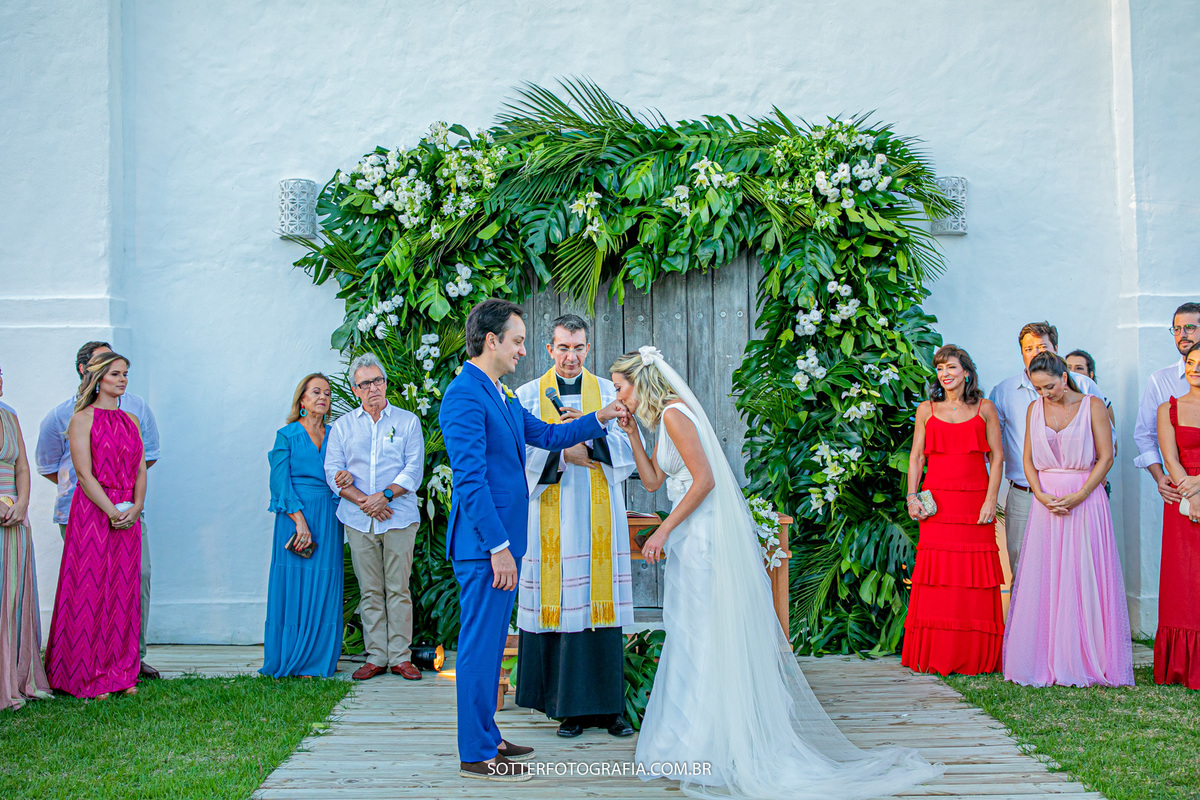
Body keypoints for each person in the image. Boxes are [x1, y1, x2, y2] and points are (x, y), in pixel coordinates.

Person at [614, 346, 943, 798]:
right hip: (690, 535)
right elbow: (653, 481)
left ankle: (711, 743)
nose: (617, 394)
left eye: (619, 386)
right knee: (689, 632)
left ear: (640, 383)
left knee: (704, 634)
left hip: (701, 535)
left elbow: (706, 480)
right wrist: (632, 433)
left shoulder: (675, 414)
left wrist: (662, 532)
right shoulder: (662, 420)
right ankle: (691, 739)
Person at [439, 298, 628, 782]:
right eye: (518, 340)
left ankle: (490, 735)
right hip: (487, 548)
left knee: (488, 646)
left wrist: (601, 414)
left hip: (503, 545)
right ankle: (476, 753)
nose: (524, 350)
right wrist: (498, 548)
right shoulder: (464, 395)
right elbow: (471, 480)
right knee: (480, 648)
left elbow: (547, 434)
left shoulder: (498, 393)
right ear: (491, 341)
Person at [514, 314, 636, 739]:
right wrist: (563, 455)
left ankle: (609, 710)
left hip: (598, 511)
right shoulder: (527, 395)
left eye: (579, 347)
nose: (571, 356)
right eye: (563, 348)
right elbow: (519, 454)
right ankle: (567, 708)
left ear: (589, 348)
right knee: (565, 602)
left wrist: (591, 441)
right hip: (552, 508)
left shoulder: (607, 391)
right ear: (549, 349)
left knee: (599, 603)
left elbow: (629, 447)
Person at [1002, 353, 1133, 687]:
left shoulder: (1093, 406)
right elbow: (1027, 461)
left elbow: (1106, 457)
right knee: (1047, 576)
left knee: (1084, 573)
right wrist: (1040, 494)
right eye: (1038, 389)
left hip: (1085, 500)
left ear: (1064, 377)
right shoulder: (1034, 410)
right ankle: (1045, 655)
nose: (1046, 394)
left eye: (1049, 387)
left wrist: (1081, 494)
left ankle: (1088, 656)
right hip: (1047, 503)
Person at [35, 341, 161, 680]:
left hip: (127, 510)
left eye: (125, 374)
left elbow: (142, 467)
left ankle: (122, 666)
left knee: (125, 588)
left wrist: (136, 506)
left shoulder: (132, 417)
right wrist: (111, 510)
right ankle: (83, 669)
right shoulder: (76, 418)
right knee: (90, 588)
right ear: (95, 376)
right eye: (115, 374)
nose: (123, 380)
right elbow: (81, 474)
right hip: (92, 512)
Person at [901, 345, 1005, 675]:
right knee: (938, 577)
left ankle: (974, 655)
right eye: (940, 369)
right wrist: (911, 497)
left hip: (974, 500)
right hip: (939, 505)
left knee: (972, 578)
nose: (944, 374)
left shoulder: (985, 408)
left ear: (967, 372)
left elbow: (998, 457)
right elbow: (917, 457)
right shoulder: (926, 410)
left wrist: (991, 499)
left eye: (951, 367)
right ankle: (937, 653)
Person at [325, 353, 424, 682]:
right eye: (365, 383)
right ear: (355, 390)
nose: (372, 388)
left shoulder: (407, 421)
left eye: (377, 381)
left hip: (398, 517)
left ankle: (400, 656)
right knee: (370, 591)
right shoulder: (342, 427)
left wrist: (385, 496)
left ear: (385, 383)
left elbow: (414, 469)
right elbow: (333, 472)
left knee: (398, 589)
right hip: (358, 521)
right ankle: (376, 656)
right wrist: (365, 501)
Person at [988, 322, 1108, 574]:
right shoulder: (1004, 391)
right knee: (1023, 568)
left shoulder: (1085, 388)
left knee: (1077, 568)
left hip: (1077, 493)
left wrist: (1088, 487)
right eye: (1028, 348)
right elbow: (995, 445)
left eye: (1041, 346)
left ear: (1055, 349)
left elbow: (1108, 445)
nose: (1035, 352)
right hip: (1024, 491)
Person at [261, 374, 344, 679]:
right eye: (316, 392)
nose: (323, 397)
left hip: (328, 515)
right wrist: (299, 521)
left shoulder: (336, 434)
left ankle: (318, 659)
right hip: (295, 515)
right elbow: (279, 482)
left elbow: (346, 472)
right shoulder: (287, 435)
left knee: (324, 585)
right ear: (302, 401)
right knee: (294, 586)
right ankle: (291, 657)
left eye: (327, 393)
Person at [0, 366, 52, 710]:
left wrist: (22, 503)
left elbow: (21, 466)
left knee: (13, 599)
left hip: (14, 517)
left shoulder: (9, 414)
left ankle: (16, 678)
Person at [1152, 340, 1200, 690]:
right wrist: (1191, 495)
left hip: (1194, 490)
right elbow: (1170, 459)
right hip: (1182, 503)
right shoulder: (1167, 408)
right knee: (1183, 582)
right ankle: (1182, 665)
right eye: (1190, 361)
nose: (1195, 367)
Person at [1134, 302, 1199, 507]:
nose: (1182, 334)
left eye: (1190, 328)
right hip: (1180, 487)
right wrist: (1159, 475)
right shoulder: (1160, 380)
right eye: (1177, 329)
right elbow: (1145, 434)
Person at [1065, 349, 1116, 426]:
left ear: (1090, 374)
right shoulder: (1058, 401)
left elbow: (1111, 435)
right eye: (1068, 368)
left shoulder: (1102, 402)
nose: (1072, 372)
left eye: (1079, 368)